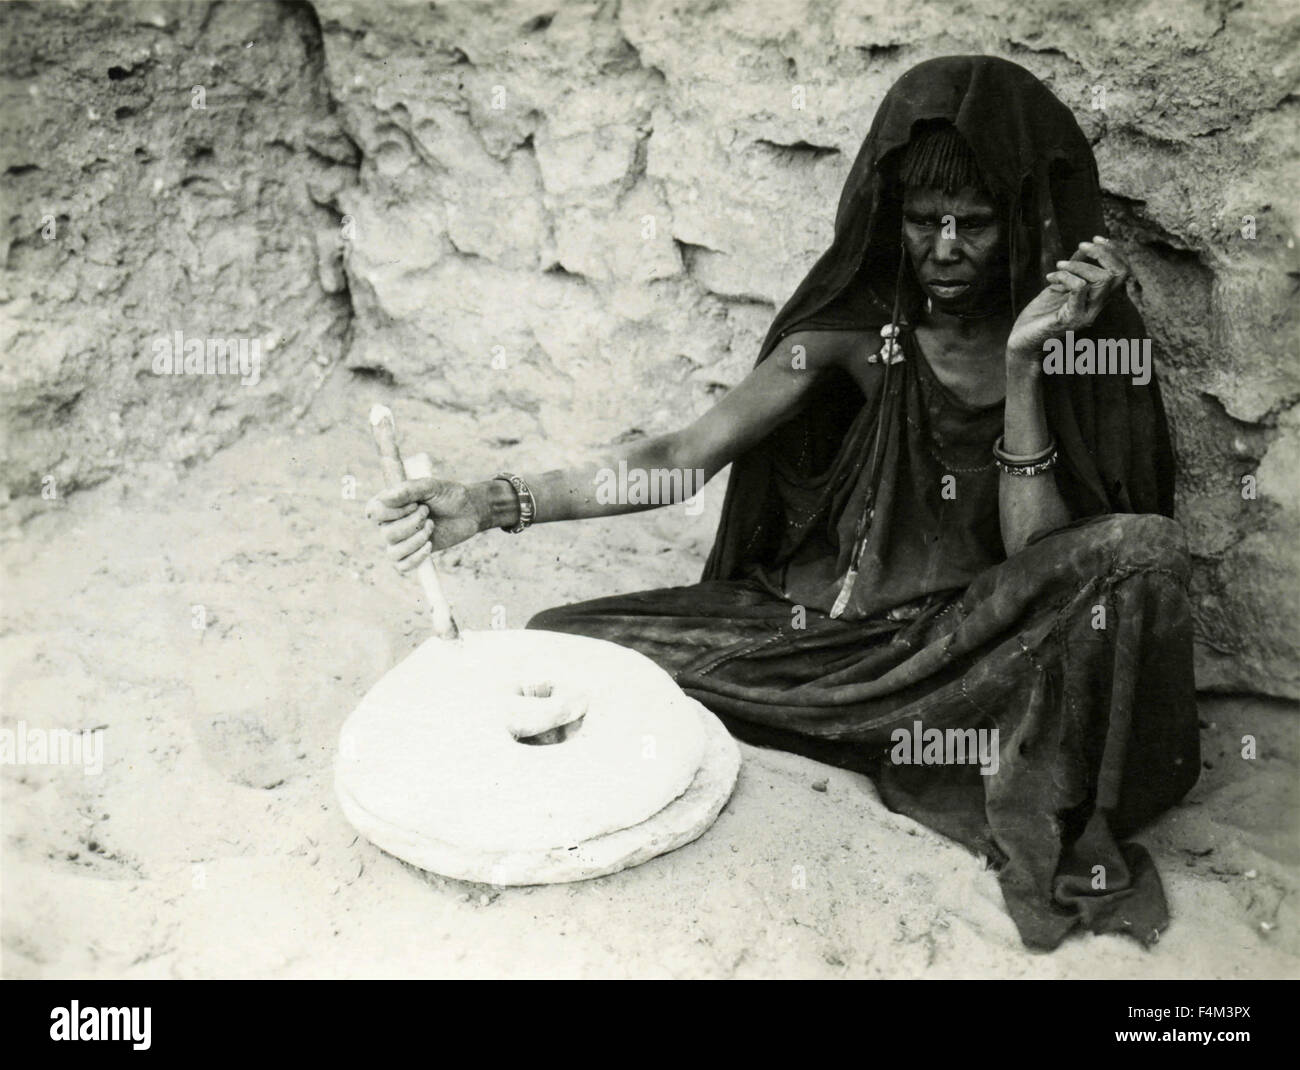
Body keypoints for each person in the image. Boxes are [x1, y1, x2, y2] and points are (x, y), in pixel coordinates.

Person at [366, 55, 1199, 951]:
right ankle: (855, 718)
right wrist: (491, 504)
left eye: (976, 224)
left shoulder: (1073, 340)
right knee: (568, 643)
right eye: (923, 222)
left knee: (1142, 551)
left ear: (1024, 222)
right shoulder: (855, 334)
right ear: (893, 219)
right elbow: (684, 455)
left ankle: (909, 735)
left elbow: (1040, 562)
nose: (946, 248)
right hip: (828, 647)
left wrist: (1025, 368)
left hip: (972, 654)